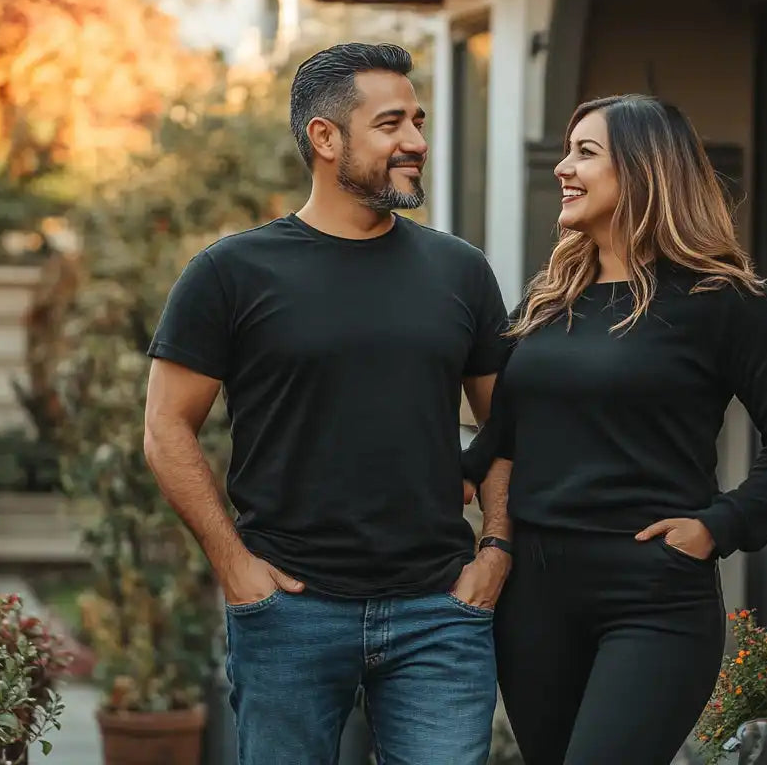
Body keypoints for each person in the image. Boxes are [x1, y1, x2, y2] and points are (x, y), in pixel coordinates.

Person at [143, 43, 513, 765]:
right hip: (290, 608)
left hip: (440, 609)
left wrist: (497, 548)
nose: (417, 142)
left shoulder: (460, 271)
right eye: (392, 123)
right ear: (325, 137)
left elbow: (509, 422)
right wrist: (233, 564)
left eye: (419, 120)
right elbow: (165, 427)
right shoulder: (231, 272)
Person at [465, 94, 767, 764]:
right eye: (567, 151)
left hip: (652, 596)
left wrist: (719, 526)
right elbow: (503, 437)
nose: (563, 169)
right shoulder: (550, 298)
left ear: (642, 170)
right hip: (537, 597)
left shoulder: (719, 300)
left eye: (586, 152)